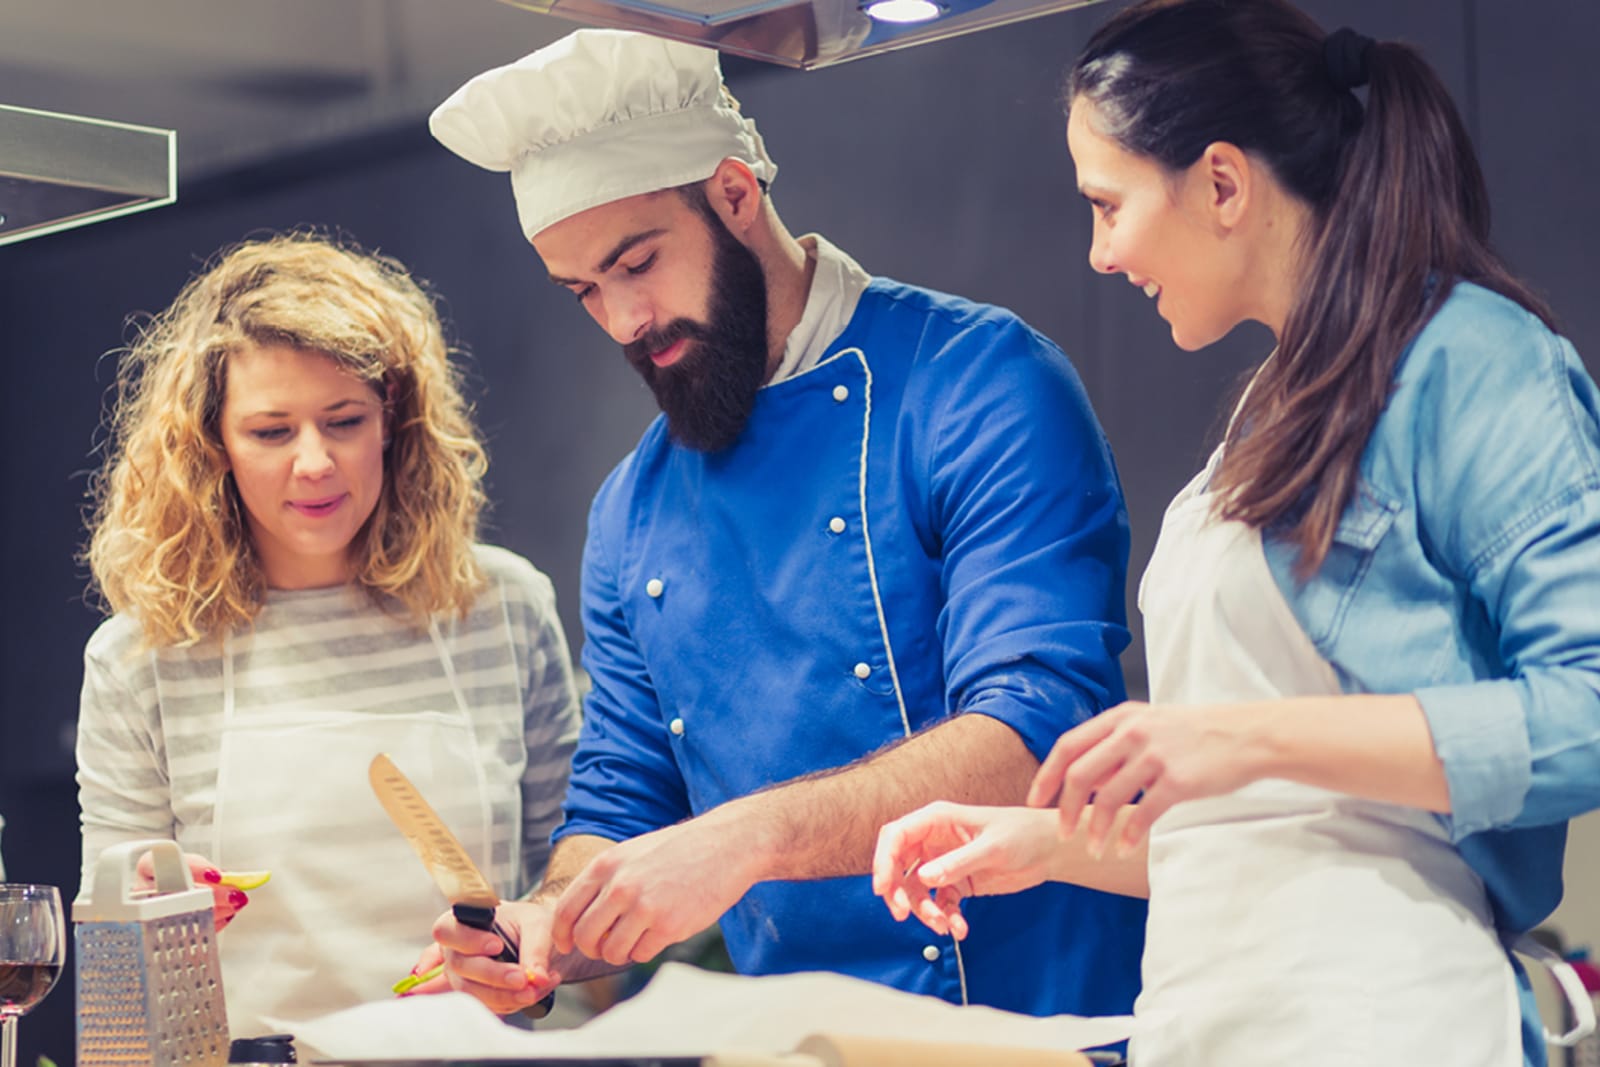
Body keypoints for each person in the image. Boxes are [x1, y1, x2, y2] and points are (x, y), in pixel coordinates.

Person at [872, 1, 1600, 1064]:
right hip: (1210, 1021)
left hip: (1388, 1018)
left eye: (1106, 205)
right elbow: (1275, 823)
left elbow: (1585, 706)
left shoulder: (1473, 360)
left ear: (1220, 182)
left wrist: (1228, 738)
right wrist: (1049, 844)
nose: (1099, 253)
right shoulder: (1271, 408)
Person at [421, 29, 1146, 1019]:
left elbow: (1034, 734)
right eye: (584, 289)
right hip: (799, 1034)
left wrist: (744, 839)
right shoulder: (631, 512)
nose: (624, 318)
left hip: (1035, 1021)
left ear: (732, 193)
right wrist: (545, 925)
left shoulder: (980, 383)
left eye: (636, 262)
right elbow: (622, 803)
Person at [76, 233, 582, 1053]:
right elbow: (116, 956)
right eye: (272, 432)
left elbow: (571, 885)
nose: (314, 463)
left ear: (394, 423)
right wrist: (147, 907)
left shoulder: (504, 609)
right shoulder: (142, 655)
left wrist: (535, 966)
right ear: (214, 448)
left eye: (344, 420)